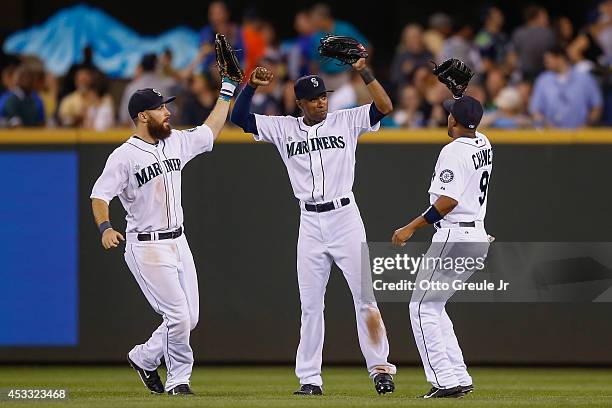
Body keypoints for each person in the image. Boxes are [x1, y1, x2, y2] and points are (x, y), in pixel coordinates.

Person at [231, 60, 397, 395]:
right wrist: (250, 87)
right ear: (301, 103)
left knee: (365, 297)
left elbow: (385, 106)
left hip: (345, 218)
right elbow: (239, 119)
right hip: (309, 221)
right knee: (310, 305)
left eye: (324, 96)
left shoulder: (345, 120)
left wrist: (365, 70)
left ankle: (380, 369)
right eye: (315, 98)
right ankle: (310, 379)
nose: (322, 101)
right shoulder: (284, 128)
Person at [90, 70, 240, 394]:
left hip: (178, 241)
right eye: (161, 108)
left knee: (190, 318)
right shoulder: (124, 156)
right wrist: (105, 227)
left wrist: (227, 89)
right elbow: (99, 195)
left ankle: (144, 357)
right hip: (147, 246)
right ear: (143, 116)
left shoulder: (175, 142)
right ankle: (179, 381)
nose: (168, 112)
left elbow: (210, 130)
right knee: (178, 315)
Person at [392, 95, 492, 398]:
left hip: (455, 237)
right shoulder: (484, 142)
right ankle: (458, 376)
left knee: (421, 307)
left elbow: (447, 202)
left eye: (450, 114)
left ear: (454, 121)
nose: (447, 117)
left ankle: (444, 383)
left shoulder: (453, 151)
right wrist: (459, 93)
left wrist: (410, 226)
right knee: (433, 306)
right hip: (476, 237)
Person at [529, 46, 603, 128]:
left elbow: (597, 106)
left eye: (548, 60)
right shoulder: (543, 80)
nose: (545, 63)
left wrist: (587, 125)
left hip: (581, 136)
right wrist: (547, 126)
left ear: (560, 58)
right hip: (550, 136)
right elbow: (535, 110)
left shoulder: (584, 78)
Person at [119, 54, 175, 125]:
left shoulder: (132, 87)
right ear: (156, 67)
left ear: (142, 67)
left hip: (139, 133)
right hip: (163, 133)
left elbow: (123, 118)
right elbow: (172, 114)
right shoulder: (163, 86)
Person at [509, 5, 556, 80]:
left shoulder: (518, 33)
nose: (547, 20)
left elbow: (511, 58)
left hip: (523, 77)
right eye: (545, 17)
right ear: (536, 18)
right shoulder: (548, 34)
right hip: (543, 77)